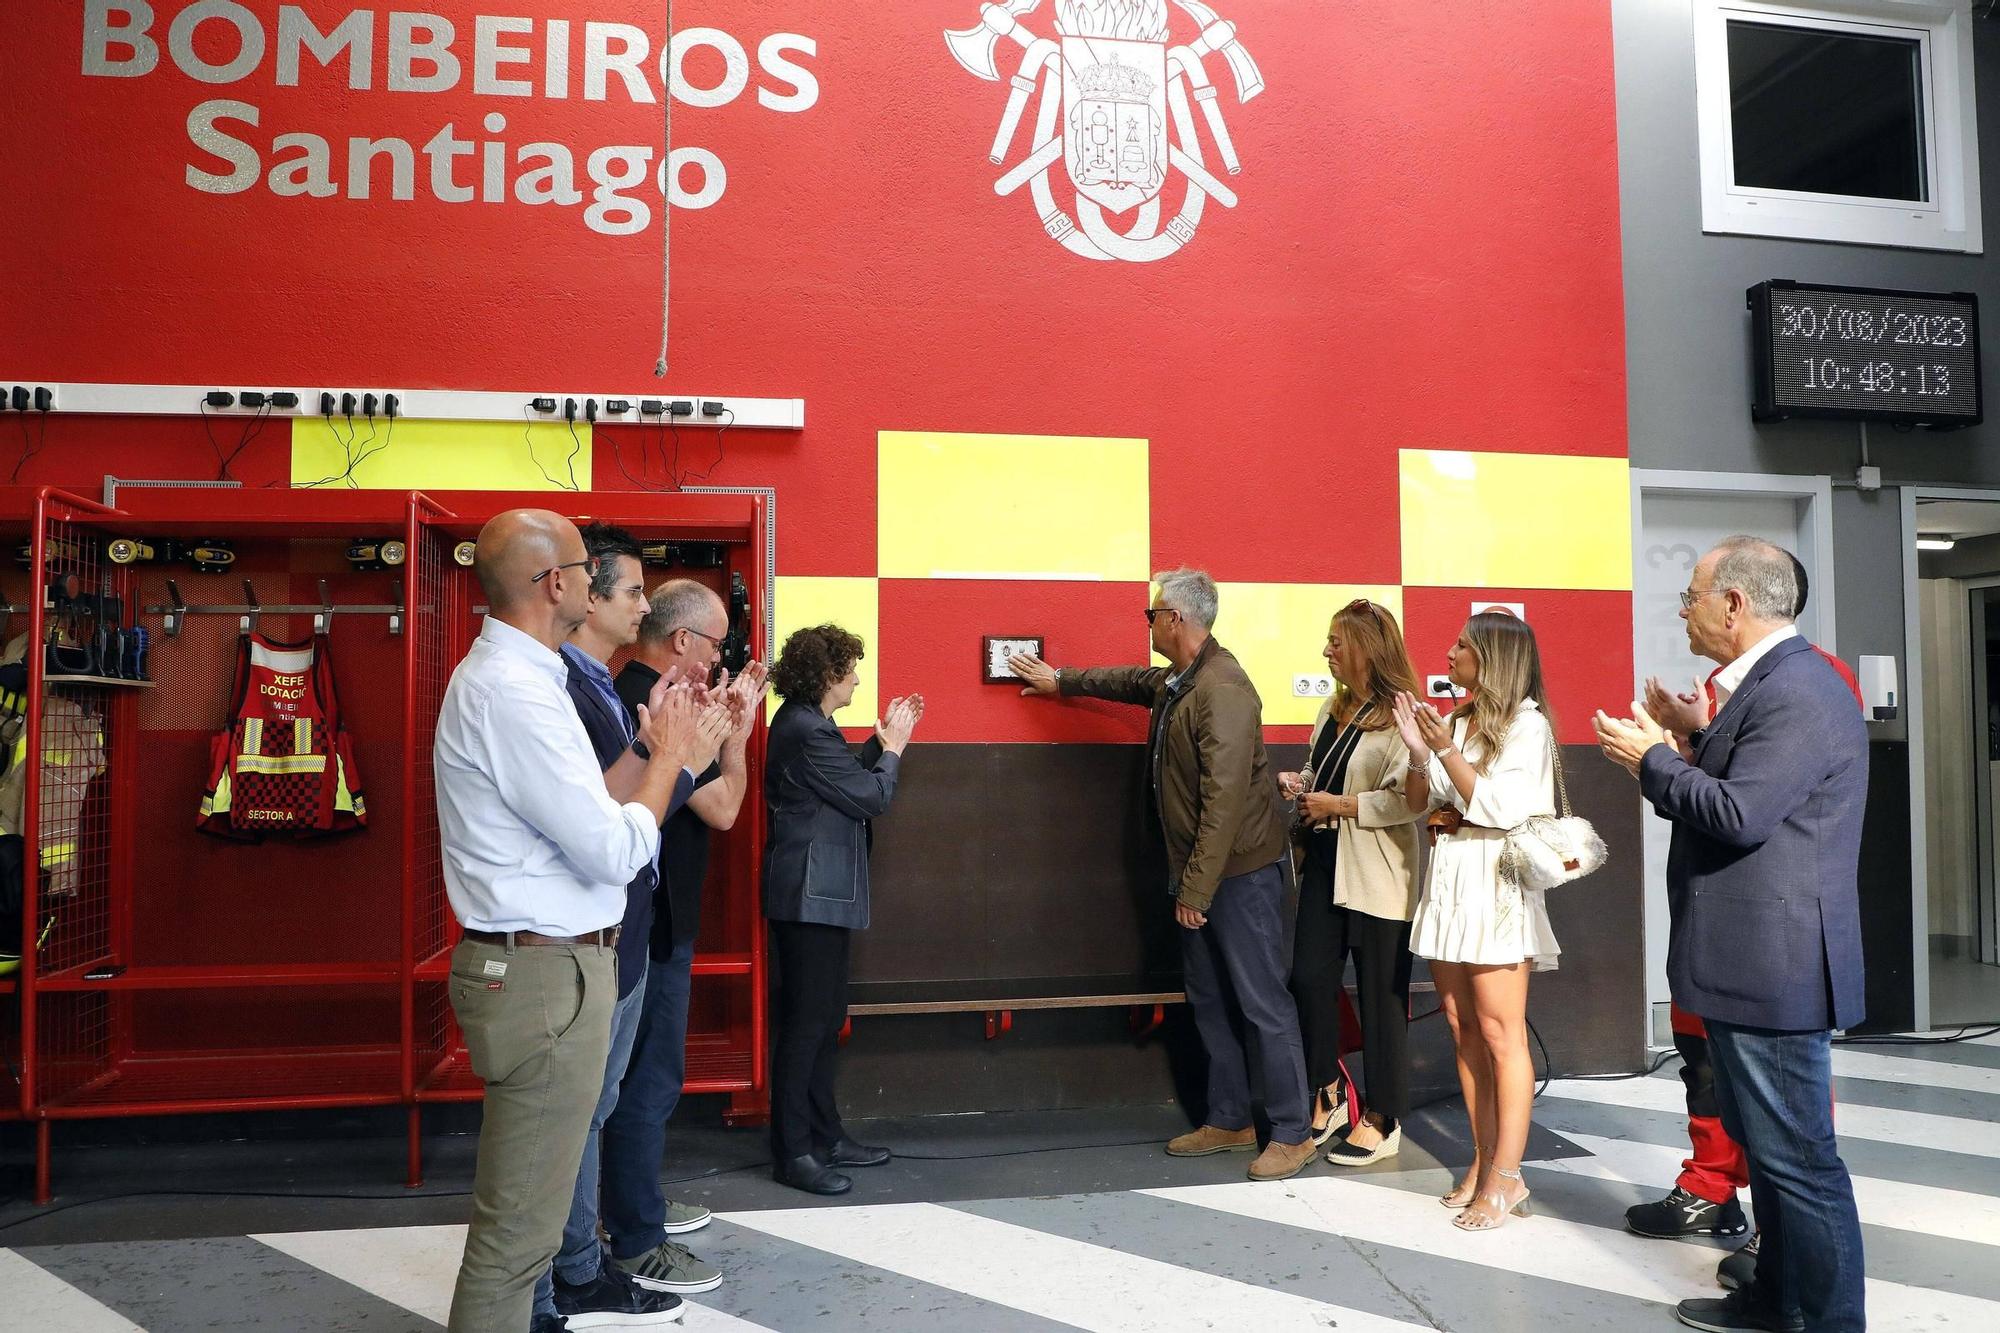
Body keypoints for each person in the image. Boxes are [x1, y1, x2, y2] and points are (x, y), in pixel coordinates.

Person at [434, 509, 711, 1333]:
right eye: (591, 572)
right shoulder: (513, 691)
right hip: (542, 977)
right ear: (555, 583)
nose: (598, 587)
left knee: (527, 1222)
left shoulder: (532, 677)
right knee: (518, 1237)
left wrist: (649, 746)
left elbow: (586, 801)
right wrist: (671, 761)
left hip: (551, 969)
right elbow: (608, 848)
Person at [1597, 536, 1867, 1333]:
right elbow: (1749, 786)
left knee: (1802, 1166)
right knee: (1775, 1163)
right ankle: (1775, 1299)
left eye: (1691, 595)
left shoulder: (1798, 689)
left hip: (1774, 966)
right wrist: (1693, 740)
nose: (1684, 608)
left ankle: (1828, 1320)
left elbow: (1741, 814)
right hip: (1750, 962)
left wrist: (1652, 757)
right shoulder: (1772, 684)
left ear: (1735, 605)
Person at [1012, 569, 1314, 1183]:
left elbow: (1224, 801)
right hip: (1200, 875)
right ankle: (1230, 1118)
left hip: (1240, 876)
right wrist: (1062, 681)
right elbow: (1132, 681)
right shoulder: (1182, 680)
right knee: (1208, 998)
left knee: (1262, 1003)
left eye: (1152, 614)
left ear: (1175, 619)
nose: (1147, 623)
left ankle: (1293, 1131)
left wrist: (1197, 891)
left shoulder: (1223, 688)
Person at [533, 526, 730, 1329]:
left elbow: (624, 797)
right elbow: (624, 818)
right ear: (567, 591)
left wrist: (684, 748)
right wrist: (684, 755)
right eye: (627, 592)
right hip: (587, 936)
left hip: (619, 927)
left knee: (603, 1099)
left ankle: (581, 1260)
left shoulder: (596, 687)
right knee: (593, 1104)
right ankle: (584, 1261)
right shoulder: (567, 689)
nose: (638, 605)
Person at [601, 579, 766, 1296]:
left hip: (651, 922)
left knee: (633, 1080)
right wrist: (736, 741)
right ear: (681, 644)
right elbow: (726, 808)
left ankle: (632, 1207)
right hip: (652, 928)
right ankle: (635, 1233)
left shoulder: (637, 695)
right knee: (645, 1081)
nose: (722, 658)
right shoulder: (653, 703)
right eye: (717, 643)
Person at [1392, 610, 1560, 1232]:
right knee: (1463, 1027)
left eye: (1461, 645)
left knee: (1499, 1031)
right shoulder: (1458, 720)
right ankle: (1485, 1159)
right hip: (1451, 879)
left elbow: (1497, 805)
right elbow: (1419, 803)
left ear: (1493, 657)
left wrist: (1440, 750)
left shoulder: (1528, 727)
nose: (1450, 651)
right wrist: (1418, 751)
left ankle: (1509, 1177)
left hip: (1495, 883)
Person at [763, 624, 923, 1195]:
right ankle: (793, 1152)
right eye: (851, 667)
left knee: (823, 1019)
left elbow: (844, 781)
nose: (857, 676)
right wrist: (896, 752)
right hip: (809, 895)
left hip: (818, 893)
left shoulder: (809, 724)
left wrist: (877, 746)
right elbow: (871, 797)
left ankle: (825, 1136)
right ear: (829, 675)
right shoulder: (808, 730)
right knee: (807, 1026)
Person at [1279, 599, 1426, 1165]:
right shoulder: (1331, 710)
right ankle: (1331, 1092)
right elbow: (1327, 770)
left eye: (1336, 642)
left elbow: (1410, 802)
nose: (1326, 652)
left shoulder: (1402, 717)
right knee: (1309, 979)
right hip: (1324, 864)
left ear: (1367, 649)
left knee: (1381, 998)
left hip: (1380, 874)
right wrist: (1304, 781)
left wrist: (1337, 803)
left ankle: (1385, 1118)